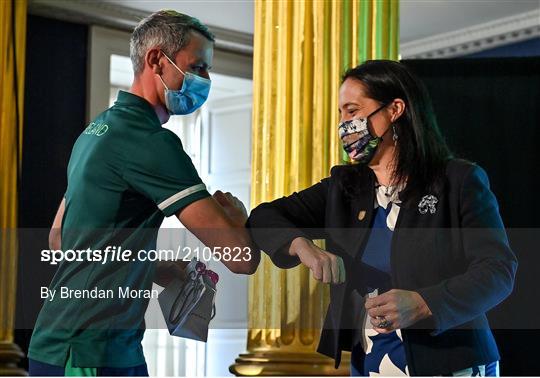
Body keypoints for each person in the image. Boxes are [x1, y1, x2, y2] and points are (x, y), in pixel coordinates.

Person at [246, 60, 517, 376]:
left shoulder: (458, 181)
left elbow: (498, 271)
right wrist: (302, 247)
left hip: (452, 361)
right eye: (341, 114)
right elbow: (263, 217)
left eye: (353, 111)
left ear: (395, 110)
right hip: (370, 364)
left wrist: (424, 303)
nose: (344, 124)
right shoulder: (343, 188)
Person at [28, 10, 259, 376]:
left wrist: (152, 267)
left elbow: (61, 240)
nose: (205, 79)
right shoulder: (151, 142)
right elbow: (241, 257)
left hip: (60, 343)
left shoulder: (96, 131)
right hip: (92, 351)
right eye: (197, 67)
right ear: (156, 60)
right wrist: (238, 217)